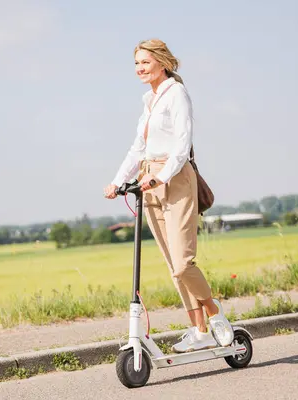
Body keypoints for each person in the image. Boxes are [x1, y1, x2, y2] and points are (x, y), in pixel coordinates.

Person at [103, 39, 234, 353]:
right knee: (169, 261)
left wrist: (160, 176)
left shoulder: (177, 93)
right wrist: (118, 180)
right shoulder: (148, 99)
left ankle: (215, 314)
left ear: (162, 62)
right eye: (136, 64)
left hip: (173, 179)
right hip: (148, 181)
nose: (140, 69)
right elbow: (139, 147)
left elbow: (181, 143)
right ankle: (199, 330)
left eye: (145, 62)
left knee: (182, 263)